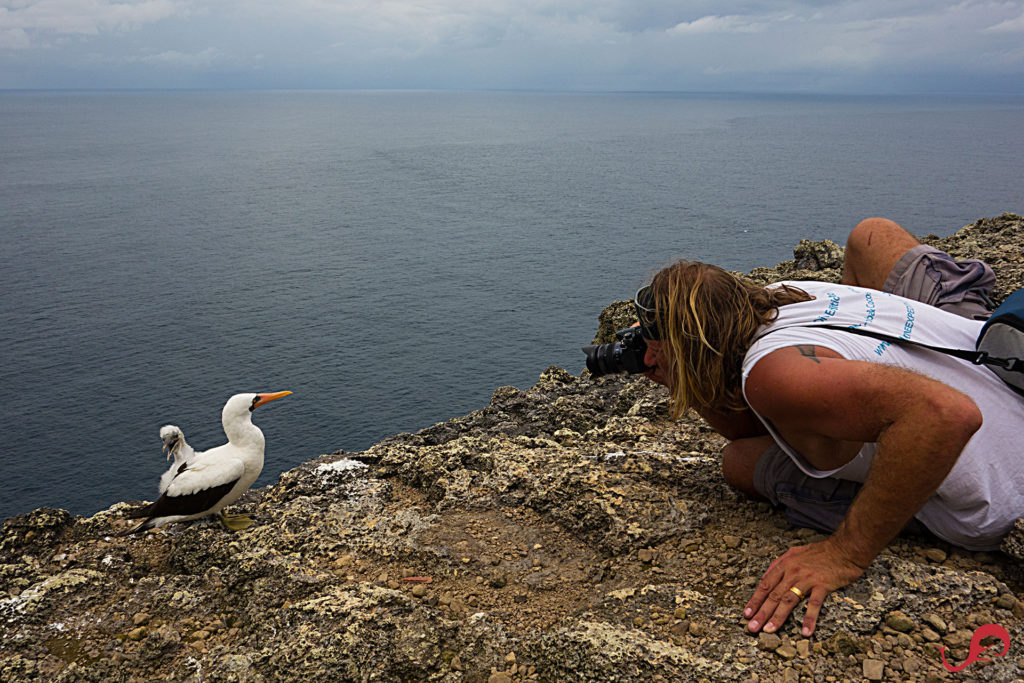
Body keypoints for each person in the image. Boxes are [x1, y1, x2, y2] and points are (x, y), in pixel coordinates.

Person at [635, 216, 1024, 638]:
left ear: (694, 351)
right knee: (870, 236)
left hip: (1001, 488)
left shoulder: (771, 374)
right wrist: (687, 377)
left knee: (741, 463)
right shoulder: (791, 296)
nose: (647, 358)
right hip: (999, 368)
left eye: (658, 348)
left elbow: (947, 414)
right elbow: (752, 417)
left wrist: (846, 553)